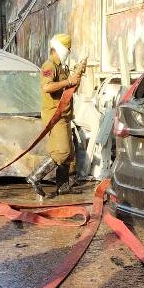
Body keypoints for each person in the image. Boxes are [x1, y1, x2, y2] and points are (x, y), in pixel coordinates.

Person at [26, 33, 85, 198]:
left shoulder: (63, 67)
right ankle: (35, 176)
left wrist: (77, 76)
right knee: (62, 152)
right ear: (60, 48)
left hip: (64, 115)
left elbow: (70, 89)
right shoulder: (49, 66)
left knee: (70, 154)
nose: (69, 51)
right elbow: (47, 87)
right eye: (68, 49)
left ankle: (64, 186)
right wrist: (69, 81)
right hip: (55, 115)